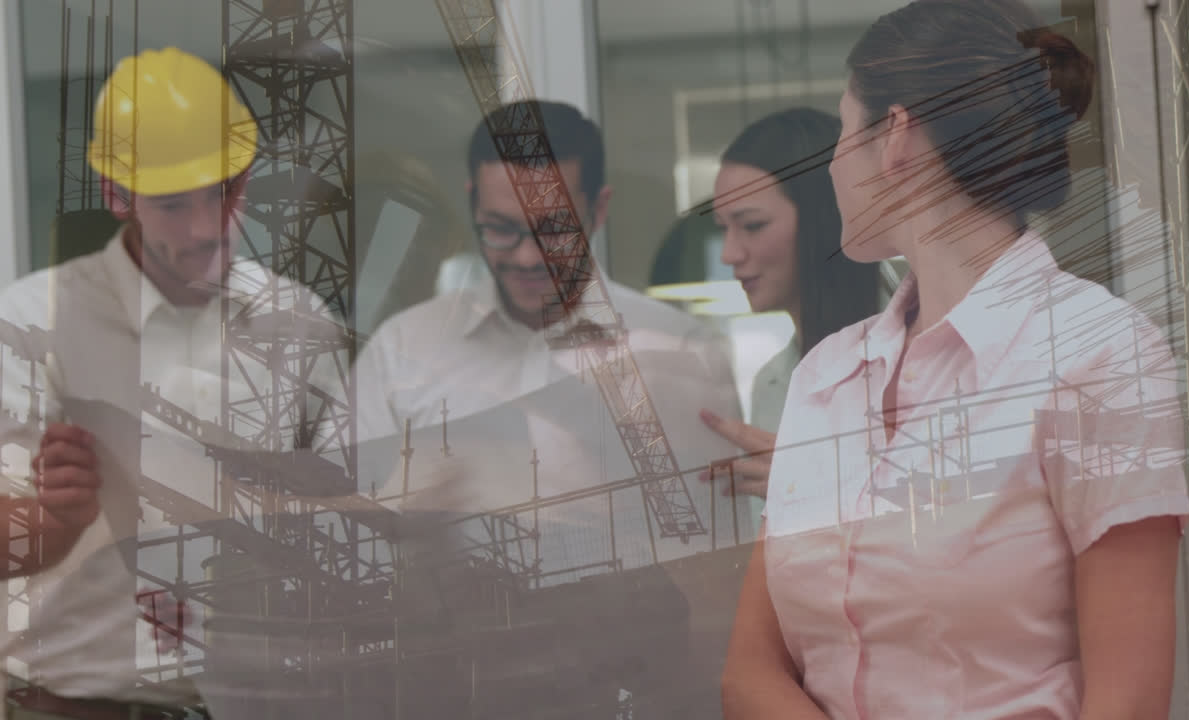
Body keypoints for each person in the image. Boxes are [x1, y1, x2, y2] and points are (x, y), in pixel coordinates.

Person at [721, 1, 1189, 718]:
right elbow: (750, 673)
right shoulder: (826, 377)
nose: (833, 167)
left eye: (845, 131)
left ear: (897, 137)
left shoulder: (1099, 357)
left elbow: (1127, 702)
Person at [353, 99, 747, 715]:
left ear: (601, 208)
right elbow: (340, 552)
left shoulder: (681, 356)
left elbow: (719, 573)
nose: (529, 257)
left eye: (555, 229)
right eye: (502, 228)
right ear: (471, 205)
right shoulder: (402, 351)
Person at [0, 47, 347, 718]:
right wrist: (51, 523)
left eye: (221, 193)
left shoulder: (301, 328)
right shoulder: (28, 325)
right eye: (171, 204)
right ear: (116, 194)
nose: (202, 229)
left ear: (244, 178)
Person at [699, 108, 881, 500]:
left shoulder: (921, 354)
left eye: (752, 225)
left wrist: (821, 488)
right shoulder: (772, 383)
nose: (729, 254)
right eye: (722, 229)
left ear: (823, 219)